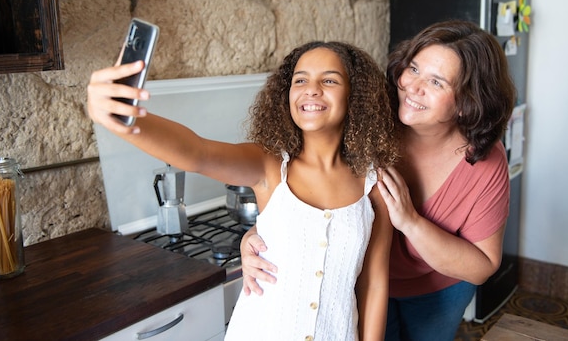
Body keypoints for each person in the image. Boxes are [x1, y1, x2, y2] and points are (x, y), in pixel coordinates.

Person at [86, 40, 398, 341]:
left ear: (354, 96)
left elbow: (373, 283)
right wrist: (122, 118)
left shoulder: (374, 185)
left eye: (329, 81)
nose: (311, 89)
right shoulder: (269, 166)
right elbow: (197, 153)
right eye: (300, 80)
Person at [240, 21, 516, 341]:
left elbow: (482, 266)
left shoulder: (484, 160)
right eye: (413, 69)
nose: (413, 87)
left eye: (436, 82)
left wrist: (410, 221)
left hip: (437, 290)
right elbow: (306, 184)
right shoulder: (368, 116)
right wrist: (259, 232)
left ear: (469, 100)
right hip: (354, 280)